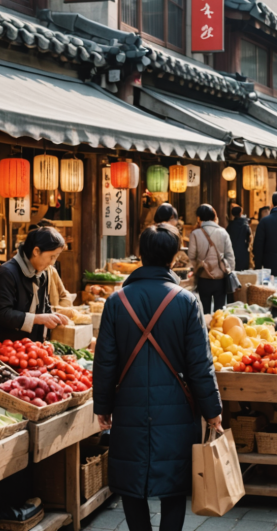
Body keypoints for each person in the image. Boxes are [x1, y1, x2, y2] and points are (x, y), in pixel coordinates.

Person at [95, 224, 223, 531]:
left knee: (130, 480)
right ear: (174, 258)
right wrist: (212, 411)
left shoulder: (117, 301)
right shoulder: (187, 301)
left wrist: (103, 406)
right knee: (174, 483)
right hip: (177, 406)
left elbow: (105, 362)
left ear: (140, 254)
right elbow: (200, 365)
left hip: (129, 403)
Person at [0, 226, 70, 347]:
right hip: (3, 348)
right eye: (52, 256)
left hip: (27, 348)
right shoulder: (6, 273)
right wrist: (38, 319)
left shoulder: (42, 274)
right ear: (36, 251)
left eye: (56, 257)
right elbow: (3, 313)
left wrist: (52, 316)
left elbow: (43, 307)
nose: (52, 262)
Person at [187, 204, 235, 314]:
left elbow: (191, 257)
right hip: (221, 280)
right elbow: (230, 257)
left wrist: (198, 268)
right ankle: (218, 331)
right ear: (214, 216)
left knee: (204, 312)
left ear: (199, 218)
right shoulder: (223, 232)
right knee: (220, 313)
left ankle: (206, 331)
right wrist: (228, 271)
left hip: (203, 279)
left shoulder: (195, 234)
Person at [227, 205, 251, 272]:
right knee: (243, 272)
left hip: (232, 251)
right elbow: (249, 237)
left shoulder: (230, 225)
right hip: (243, 251)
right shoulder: (245, 224)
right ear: (240, 213)